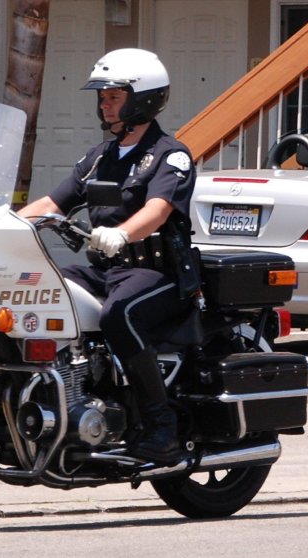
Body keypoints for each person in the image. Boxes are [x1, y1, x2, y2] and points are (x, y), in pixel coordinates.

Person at [18, 48, 198, 462]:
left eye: (114, 97)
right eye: (102, 97)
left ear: (143, 99)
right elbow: (52, 204)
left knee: (119, 314)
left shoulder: (169, 155)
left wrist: (122, 233)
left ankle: (161, 426)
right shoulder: (99, 157)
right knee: (40, 290)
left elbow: (158, 210)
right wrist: (0, 223)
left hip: (157, 273)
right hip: (106, 270)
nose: (105, 104)